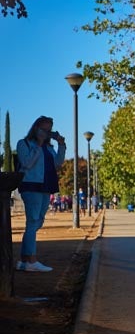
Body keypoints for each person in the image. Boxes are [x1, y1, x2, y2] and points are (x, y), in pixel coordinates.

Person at [15, 116, 66, 272]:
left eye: (49, 131)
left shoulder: (49, 148)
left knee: (38, 222)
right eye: (44, 129)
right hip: (31, 186)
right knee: (33, 221)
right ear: (36, 128)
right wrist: (37, 144)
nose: (47, 133)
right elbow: (27, 163)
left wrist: (61, 144)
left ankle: (24, 260)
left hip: (46, 186)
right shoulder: (24, 144)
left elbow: (58, 162)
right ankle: (31, 260)